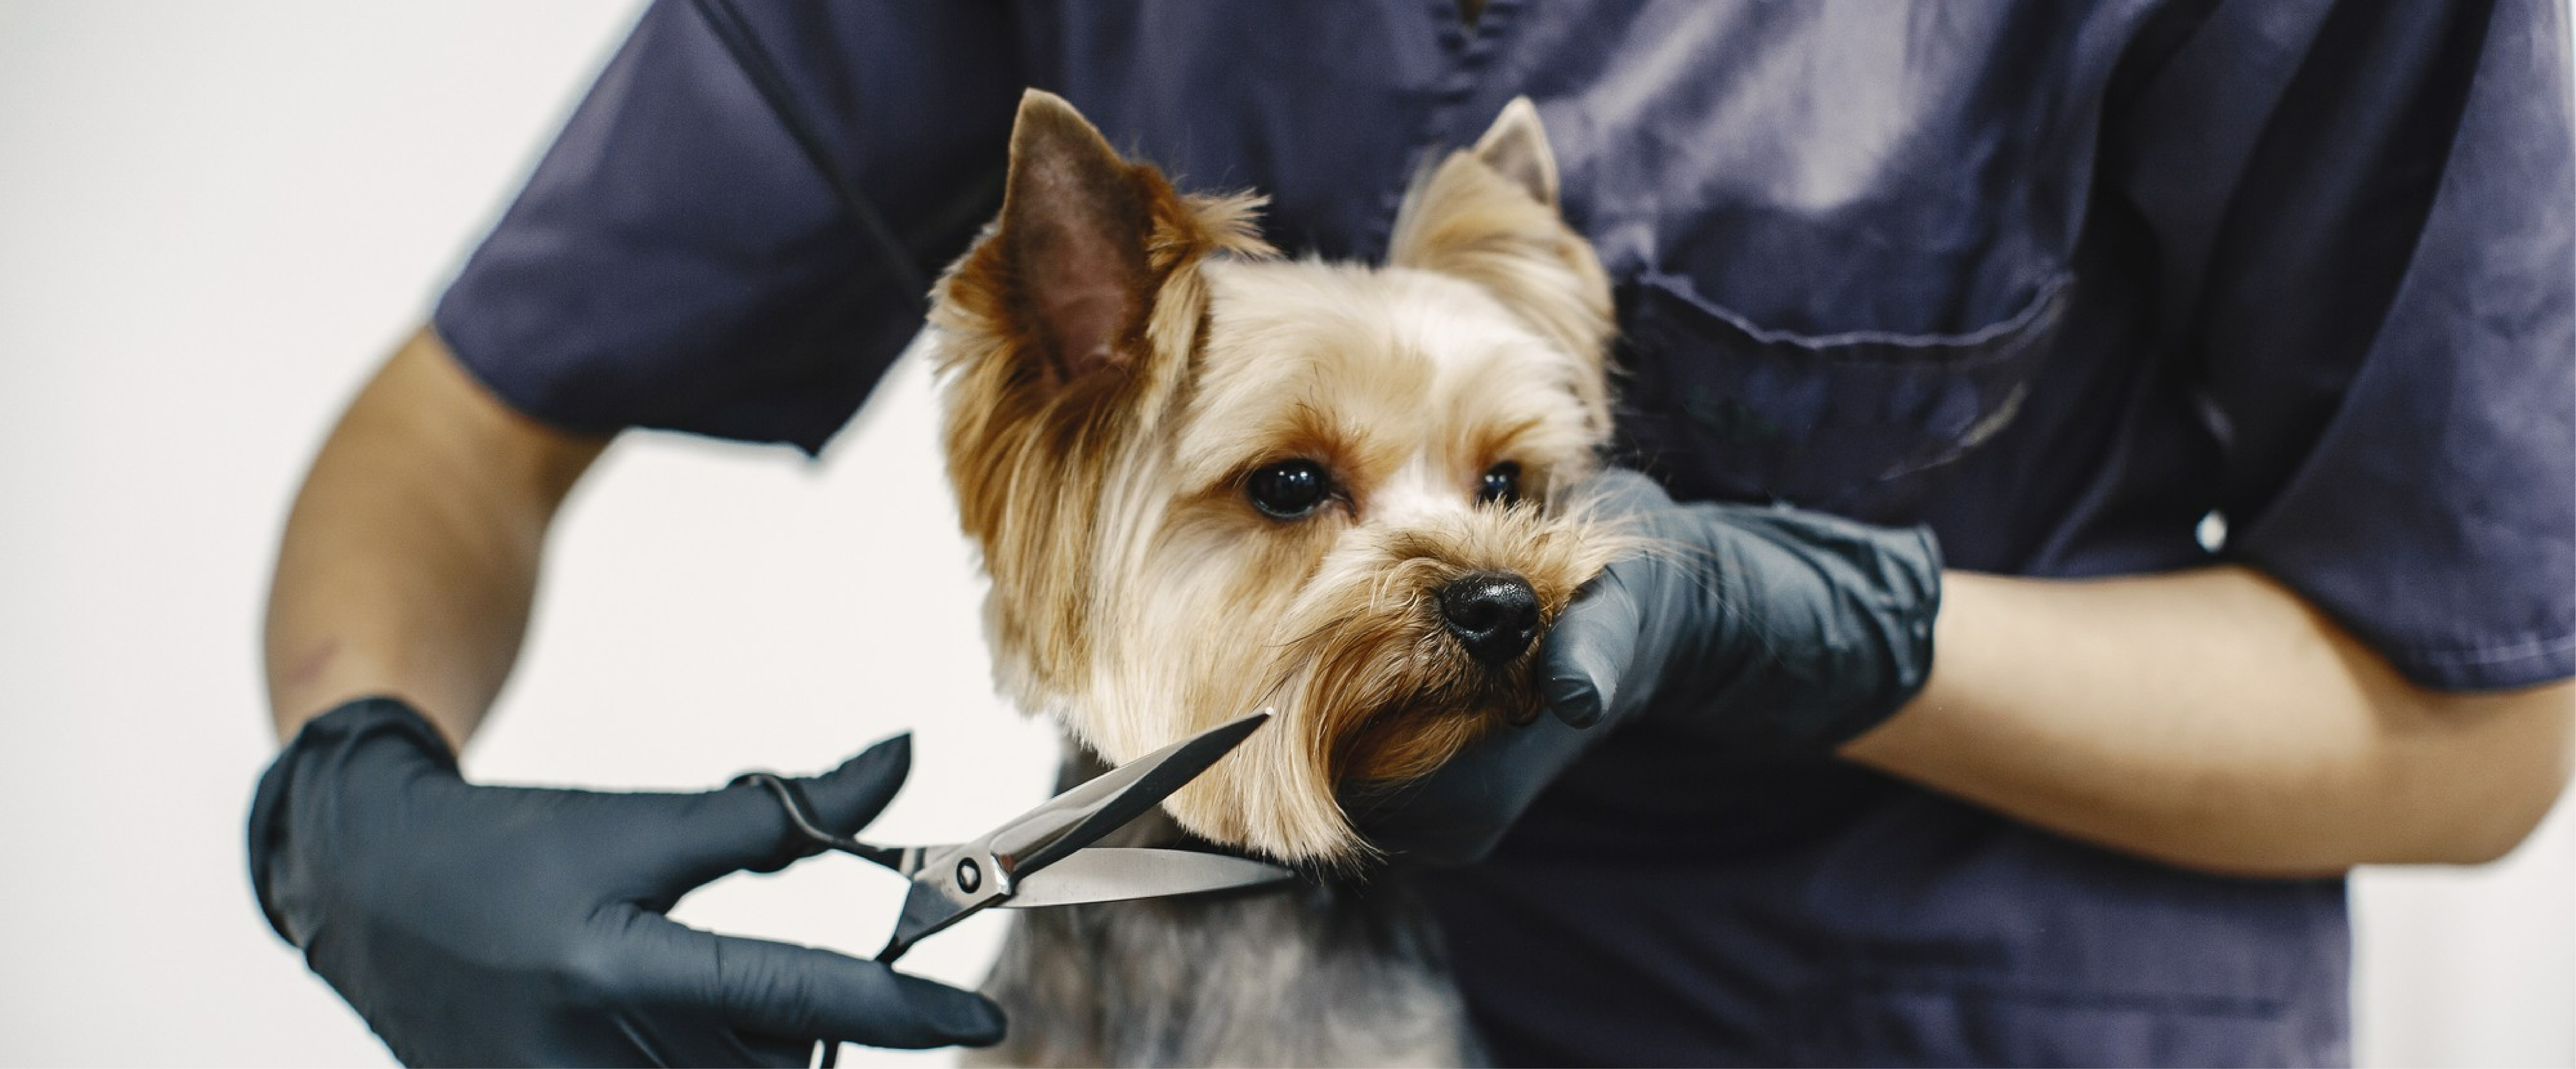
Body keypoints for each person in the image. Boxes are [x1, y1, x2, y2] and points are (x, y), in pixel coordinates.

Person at [251, 2, 2574, 1067]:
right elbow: (456, 430)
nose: (1468, 563)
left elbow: (2478, 745)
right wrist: (359, 799)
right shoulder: (1071, 353)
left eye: (1512, 483)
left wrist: (1827, 630)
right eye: (1293, 486)